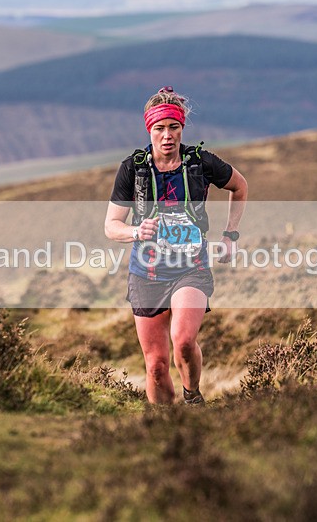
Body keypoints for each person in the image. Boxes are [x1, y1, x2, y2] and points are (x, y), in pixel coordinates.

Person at [104, 86, 247, 404]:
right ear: (149, 129)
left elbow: (240, 186)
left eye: (174, 127)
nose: (167, 135)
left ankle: (193, 396)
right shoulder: (134, 168)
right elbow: (111, 227)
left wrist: (230, 235)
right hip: (147, 273)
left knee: (183, 341)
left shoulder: (200, 162)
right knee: (155, 366)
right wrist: (137, 231)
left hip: (191, 269)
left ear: (182, 129)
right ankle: (165, 430)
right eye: (159, 128)